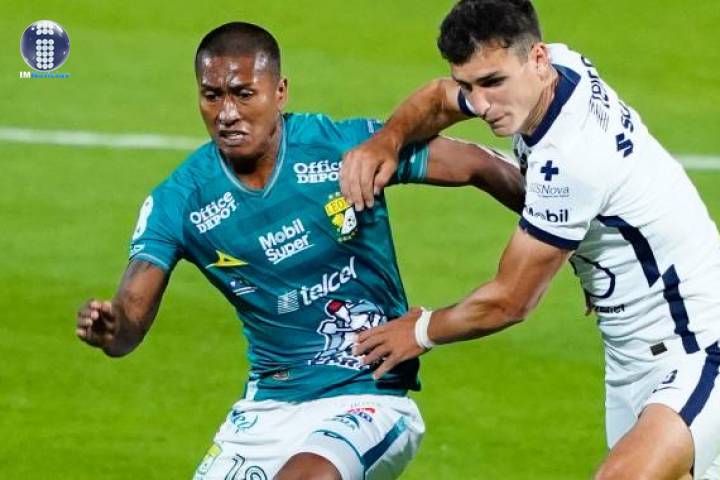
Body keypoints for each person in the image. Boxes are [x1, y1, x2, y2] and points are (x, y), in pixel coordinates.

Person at [75, 22, 524, 480]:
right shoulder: (180, 202)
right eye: (211, 96)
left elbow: (477, 164)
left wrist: (557, 226)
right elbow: (128, 325)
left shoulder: (341, 149)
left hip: (368, 399)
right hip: (265, 411)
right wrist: (111, 328)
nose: (226, 113)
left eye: (243, 94)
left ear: (280, 92)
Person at [340, 1, 720, 479]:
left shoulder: (573, 156)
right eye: (469, 85)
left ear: (537, 59)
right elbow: (440, 98)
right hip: (632, 352)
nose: (480, 105)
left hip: (697, 342)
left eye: (492, 82)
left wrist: (421, 330)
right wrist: (387, 140)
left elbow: (512, 300)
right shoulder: (555, 70)